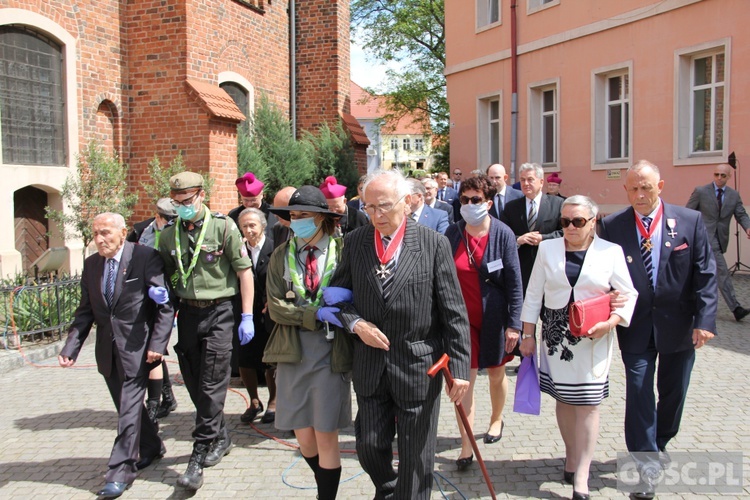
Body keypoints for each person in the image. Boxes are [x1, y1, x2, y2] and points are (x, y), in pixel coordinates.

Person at [328, 169, 471, 499]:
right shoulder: (356, 242)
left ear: (406, 203)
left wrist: (460, 368)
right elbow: (337, 296)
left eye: (384, 206)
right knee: (368, 445)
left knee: (417, 458)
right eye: (369, 208)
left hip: (417, 365)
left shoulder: (433, 244)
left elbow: (454, 312)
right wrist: (356, 324)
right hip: (371, 365)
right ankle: (391, 489)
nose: (376, 215)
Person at [599, 160, 717, 500]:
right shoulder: (613, 226)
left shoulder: (690, 222)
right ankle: (646, 464)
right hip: (635, 327)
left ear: (660, 186)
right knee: (638, 393)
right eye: (633, 188)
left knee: (674, 393)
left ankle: (661, 440)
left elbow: (706, 275)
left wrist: (705, 321)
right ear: (626, 190)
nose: (639, 194)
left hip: (679, 326)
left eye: (646, 188)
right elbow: (602, 275)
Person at [519, 196, 638, 500]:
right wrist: (528, 334)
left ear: (592, 222)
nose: (570, 227)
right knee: (564, 400)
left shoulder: (610, 252)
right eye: (565, 221)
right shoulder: (547, 248)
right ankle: (571, 455)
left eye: (578, 221)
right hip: (556, 337)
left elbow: (628, 294)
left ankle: (582, 474)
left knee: (588, 404)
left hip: (593, 338)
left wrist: (611, 322)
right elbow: (533, 294)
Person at [59, 213, 174, 498]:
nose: (100, 239)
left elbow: (164, 306)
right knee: (128, 409)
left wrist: (158, 344)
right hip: (108, 353)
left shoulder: (144, 257)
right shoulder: (91, 265)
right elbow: (86, 311)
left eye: (106, 233)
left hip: (138, 349)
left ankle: (120, 471)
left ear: (123, 233)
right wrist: (71, 348)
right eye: (96, 233)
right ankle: (151, 446)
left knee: (127, 412)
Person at [157, 171, 255, 491]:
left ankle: (197, 457)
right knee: (195, 380)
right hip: (187, 315)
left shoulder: (222, 226)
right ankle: (221, 436)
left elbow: (244, 272)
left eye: (187, 201)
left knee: (213, 382)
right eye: (177, 202)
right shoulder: (169, 234)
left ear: (201, 195)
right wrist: (159, 295)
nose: (183, 207)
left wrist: (247, 315)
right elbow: (166, 275)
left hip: (220, 312)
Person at [263, 186, 354, 500]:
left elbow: (357, 298)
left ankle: (325, 496)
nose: (296, 220)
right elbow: (276, 307)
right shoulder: (280, 256)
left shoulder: (343, 251)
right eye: (293, 215)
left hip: (330, 352)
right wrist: (314, 314)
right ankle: (323, 484)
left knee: (326, 434)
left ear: (322, 218)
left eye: (304, 215)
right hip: (292, 351)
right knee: (303, 435)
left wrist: (345, 304)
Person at [444, 175, 523, 471]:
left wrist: (515, 324)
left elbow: (515, 283)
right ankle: (466, 446)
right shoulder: (453, 233)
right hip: (461, 322)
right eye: (464, 200)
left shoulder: (503, 234)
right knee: (464, 382)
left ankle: (496, 418)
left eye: (475, 200)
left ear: (488, 203)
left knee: (496, 373)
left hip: (494, 320)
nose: (469, 205)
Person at [126, 198, 179, 423]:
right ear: (158, 217)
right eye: (168, 221)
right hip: (146, 297)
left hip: (171, 294)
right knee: (154, 348)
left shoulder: (180, 232)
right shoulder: (139, 232)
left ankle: (159, 400)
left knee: (157, 347)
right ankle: (162, 398)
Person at [686, 162, 750, 321]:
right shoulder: (701, 191)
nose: (719, 178)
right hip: (703, 238)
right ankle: (736, 308)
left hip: (720, 238)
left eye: (723, 175)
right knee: (721, 271)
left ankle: (690, 304)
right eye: (716, 175)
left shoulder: (733, 195)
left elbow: (741, 214)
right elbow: (688, 213)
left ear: (729, 177)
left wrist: (748, 228)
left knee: (701, 272)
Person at [236, 207, 277, 424]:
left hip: (268, 313)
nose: (249, 230)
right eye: (244, 226)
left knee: (270, 360)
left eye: (253, 225)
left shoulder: (274, 248)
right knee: (245, 359)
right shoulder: (238, 249)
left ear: (262, 225)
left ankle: (273, 401)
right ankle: (254, 401)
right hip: (245, 313)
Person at [501, 162, 563, 292]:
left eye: (530, 179)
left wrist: (543, 238)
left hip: (550, 266)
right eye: (522, 180)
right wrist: (519, 240)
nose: (525, 183)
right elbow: (503, 236)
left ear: (541, 182)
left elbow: (564, 232)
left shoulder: (558, 204)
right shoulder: (511, 207)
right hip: (521, 267)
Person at [228, 171, 278, 238]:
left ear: (262, 195)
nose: (249, 204)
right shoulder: (233, 215)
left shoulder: (274, 214)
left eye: (253, 200)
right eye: (245, 200)